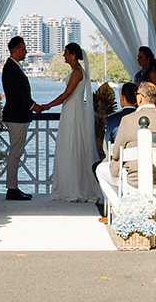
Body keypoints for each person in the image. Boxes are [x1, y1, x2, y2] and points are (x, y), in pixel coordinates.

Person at [36, 41, 101, 203]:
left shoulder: (78, 72)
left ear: (73, 55)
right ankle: (69, 185)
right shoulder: (76, 71)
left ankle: (74, 188)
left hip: (73, 112)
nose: (64, 56)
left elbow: (67, 94)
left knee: (72, 145)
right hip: (70, 110)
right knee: (69, 146)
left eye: (66, 53)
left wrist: (47, 106)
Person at [96, 79, 156, 204]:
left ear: (140, 98)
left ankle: (119, 208)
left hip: (133, 177)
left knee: (100, 169)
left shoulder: (127, 120)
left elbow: (116, 153)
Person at [1, 34, 34, 201]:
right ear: (15, 50)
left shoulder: (12, 67)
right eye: (23, 48)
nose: (26, 51)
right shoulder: (10, 68)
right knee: (15, 152)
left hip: (17, 115)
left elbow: (22, 95)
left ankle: (12, 187)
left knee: (16, 151)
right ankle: (12, 188)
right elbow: (18, 95)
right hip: (16, 117)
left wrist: (33, 105)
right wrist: (34, 106)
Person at [103, 81, 138, 147]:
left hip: (119, 155)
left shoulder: (111, 119)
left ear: (122, 98)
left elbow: (108, 145)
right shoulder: (144, 117)